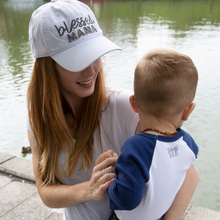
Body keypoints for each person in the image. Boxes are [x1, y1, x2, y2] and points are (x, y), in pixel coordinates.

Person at [26, 0, 199, 219]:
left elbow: (187, 174)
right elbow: (46, 192)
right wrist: (88, 190)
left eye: (94, 54)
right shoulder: (36, 118)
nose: (91, 71)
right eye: (77, 61)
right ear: (47, 66)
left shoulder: (125, 106)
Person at [105, 49, 199, 220]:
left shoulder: (136, 146)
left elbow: (127, 200)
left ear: (133, 103)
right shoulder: (189, 144)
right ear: (188, 111)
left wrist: (110, 180)